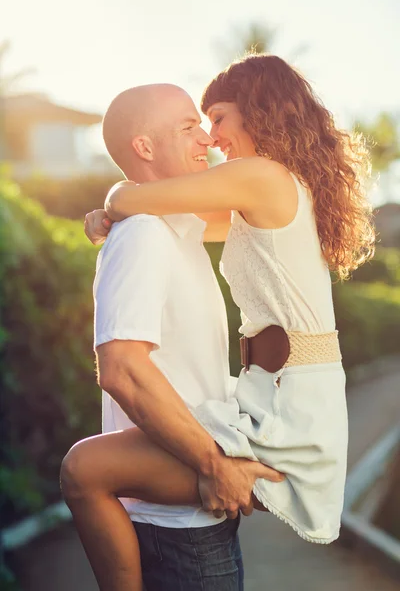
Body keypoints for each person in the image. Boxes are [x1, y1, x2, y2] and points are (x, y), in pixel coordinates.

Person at [66, 53, 375, 589]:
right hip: (283, 392)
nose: (212, 137)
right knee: (94, 469)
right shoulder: (268, 189)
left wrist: (116, 203)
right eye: (199, 124)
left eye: (219, 118)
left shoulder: (263, 177)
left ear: (259, 111)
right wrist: (117, 217)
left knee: (83, 471)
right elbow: (174, 215)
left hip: (286, 399)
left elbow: (134, 195)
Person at [61, 80, 283, 591]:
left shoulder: (172, 228)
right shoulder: (143, 237)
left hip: (200, 516)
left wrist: (113, 205)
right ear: (144, 147)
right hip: (179, 535)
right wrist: (214, 463)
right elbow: (121, 369)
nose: (206, 138)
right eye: (189, 127)